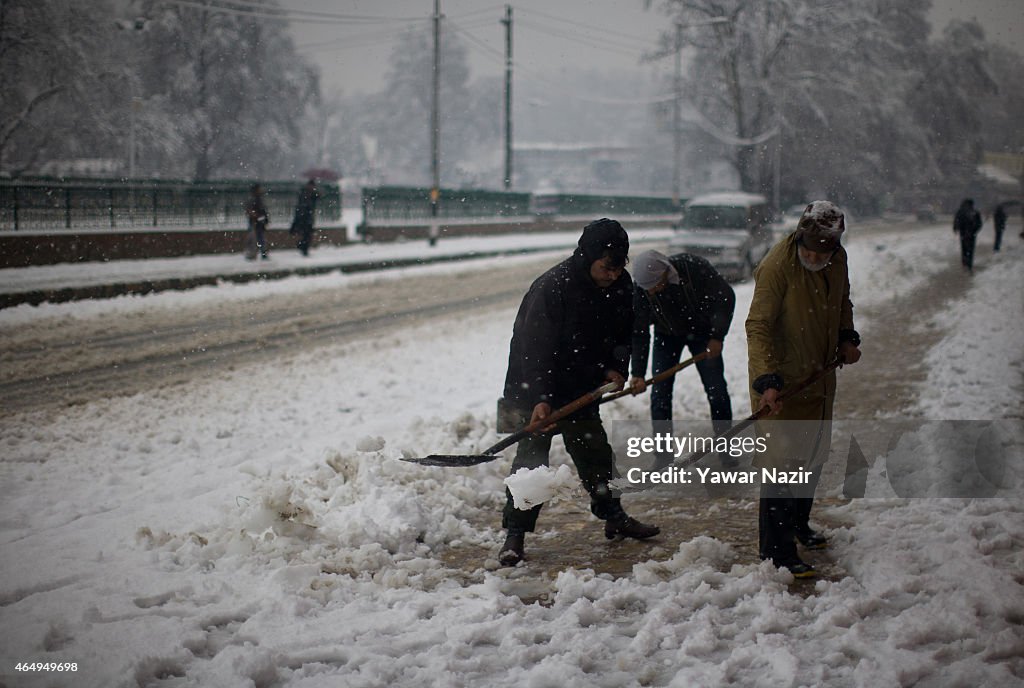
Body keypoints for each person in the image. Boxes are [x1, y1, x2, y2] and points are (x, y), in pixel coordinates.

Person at [497, 218, 660, 566]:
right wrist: (540, 398)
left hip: (581, 383)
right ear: (587, 258)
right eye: (606, 268)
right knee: (531, 461)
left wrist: (617, 366)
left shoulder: (620, 285)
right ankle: (515, 533)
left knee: (595, 452)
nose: (613, 275)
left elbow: (623, 333)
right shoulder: (553, 288)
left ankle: (613, 516)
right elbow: (535, 349)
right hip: (532, 384)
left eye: (619, 268)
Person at [746, 201, 861, 578]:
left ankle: (799, 525)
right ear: (799, 237)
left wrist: (846, 336)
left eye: (822, 251)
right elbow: (758, 325)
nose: (814, 257)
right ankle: (776, 552)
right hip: (781, 388)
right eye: (809, 250)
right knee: (782, 466)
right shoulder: (778, 265)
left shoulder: (837, 259)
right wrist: (767, 380)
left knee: (811, 456)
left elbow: (841, 300)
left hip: (819, 378)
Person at [628, 250, 735, 468]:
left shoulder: (693, 267)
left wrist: (717, 336)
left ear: (664, 272)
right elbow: (639, 332)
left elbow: (725, 297)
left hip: (704, 336)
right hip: (666, 335)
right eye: (646, 289)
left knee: (717, 391)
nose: (651, 293)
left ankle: (726, 448)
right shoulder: (641, 289)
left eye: (654, 286)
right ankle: (663, 455)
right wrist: (637, 373)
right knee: (660, 393)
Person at [290, 178, 320, 256]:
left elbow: (317, 198)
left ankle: (303, 247)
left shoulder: (310, 193)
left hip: (307, 217)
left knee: (307, 235)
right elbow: (304, 205)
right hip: (304, 218)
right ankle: (303, 248)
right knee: (306, 235)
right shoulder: (305, 193)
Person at [953, 198, 983, 272]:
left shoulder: (961, 211)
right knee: (971, 249)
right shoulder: (975, 212)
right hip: (972, 234)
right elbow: (979, 224)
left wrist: (956, 228)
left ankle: (964, 262)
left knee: (964, 248)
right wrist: (975, 231)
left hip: (963, 233)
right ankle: (969, 263)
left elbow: (957, 220)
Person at [245, 183, 270, 261]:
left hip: (258, 221)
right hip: (255, 221)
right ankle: (255, 254)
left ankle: (261, 253)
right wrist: (257, 217)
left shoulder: (258, 199)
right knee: (255, 238)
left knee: (259, 238)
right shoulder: (254, 199)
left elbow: (262, 211)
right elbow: (250, 211)